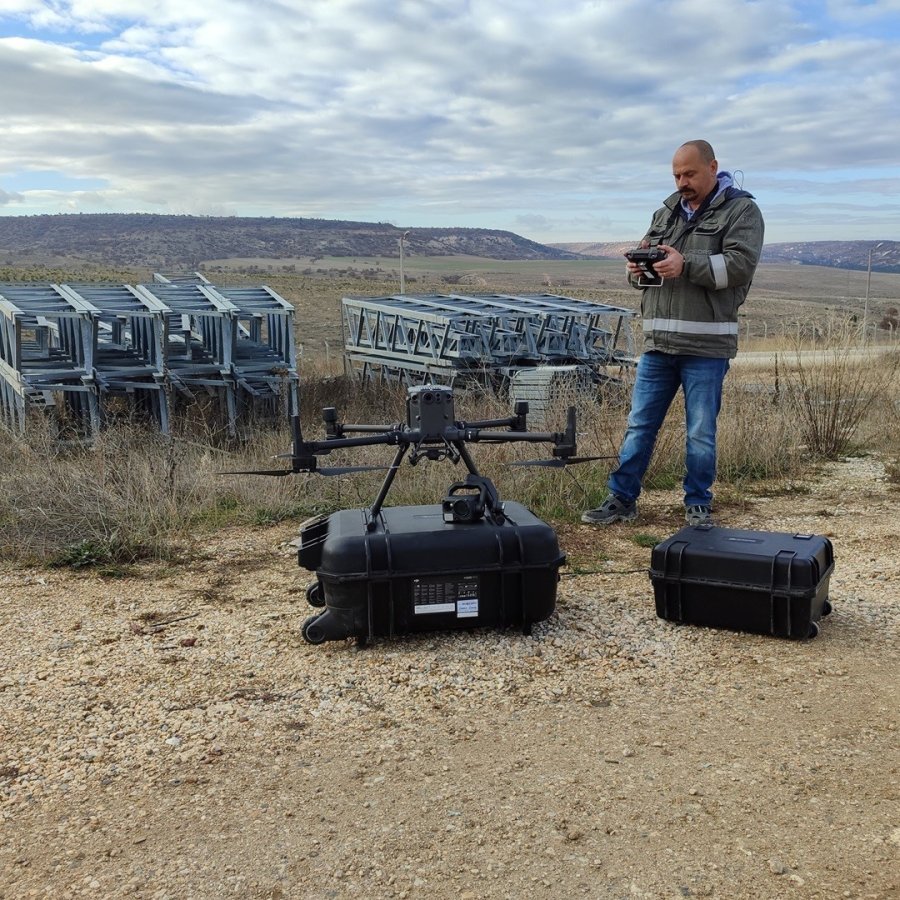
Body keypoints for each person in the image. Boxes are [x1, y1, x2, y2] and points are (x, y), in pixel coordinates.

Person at [582, 139, 764, 526]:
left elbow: (739, 266)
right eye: (676, 175)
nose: (682, 181)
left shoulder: (741, 210)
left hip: (706, 345)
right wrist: (638, 270)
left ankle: (698, 503)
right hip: (658, 344)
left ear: (713, 167)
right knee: (639, 425)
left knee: (700, 432)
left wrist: (686, 265)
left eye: (690, 173)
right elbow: (652, 268)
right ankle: (621, 499)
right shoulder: (666, 212)